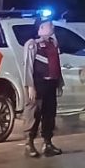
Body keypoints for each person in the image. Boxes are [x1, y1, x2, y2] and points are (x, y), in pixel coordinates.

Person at [22, 18, 64, 158]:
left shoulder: (53, 43)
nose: (52, 27)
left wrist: (59, 84)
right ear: (40, 29)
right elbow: (27, 67)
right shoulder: (32, 45)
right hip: (38, 85)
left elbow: (56, 64)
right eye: (49, 25)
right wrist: (30, 86)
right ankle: (29, 144)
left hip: (51, 85)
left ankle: (47, 144)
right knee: (33, 115)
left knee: (49, 115)